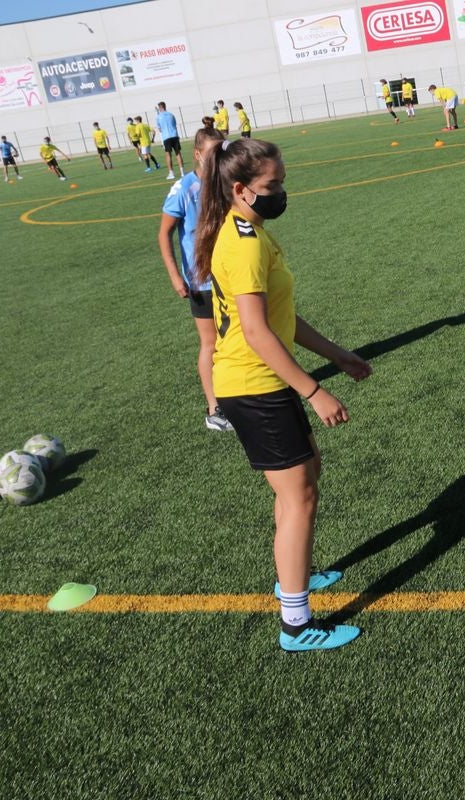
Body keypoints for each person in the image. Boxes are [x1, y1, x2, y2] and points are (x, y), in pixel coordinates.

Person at [193, 137, 372, 652]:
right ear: (241, 189)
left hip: (261, 381)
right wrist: (314, 389)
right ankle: (295, 624)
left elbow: (281, 318)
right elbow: (256, 332)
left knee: (303, 481)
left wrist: (338, 355)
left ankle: (293, 577)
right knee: (300, 497)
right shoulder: (244, 242)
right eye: (273, 185)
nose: (282, 192)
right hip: (253, 385)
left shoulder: (249, 230)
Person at [158, 126, 233, 433]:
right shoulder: (183, 189)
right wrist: (176, 275)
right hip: (201, 281)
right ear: (198, 154)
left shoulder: (225, 183)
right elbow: (163, 234)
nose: (219, 158)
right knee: (211, 343)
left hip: (229, 275)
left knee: (238, 336)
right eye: (214, 153)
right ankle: (215, 409)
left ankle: (241, 396)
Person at [155, 101, 185, 179]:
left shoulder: (158, 116)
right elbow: (174, 125)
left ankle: (171, 173)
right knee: (178, 153)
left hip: (166, 137)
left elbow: (160, 129)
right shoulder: (171, 115)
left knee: (168, 155)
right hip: (174, 135)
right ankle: (182, 172)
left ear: (160, 108)